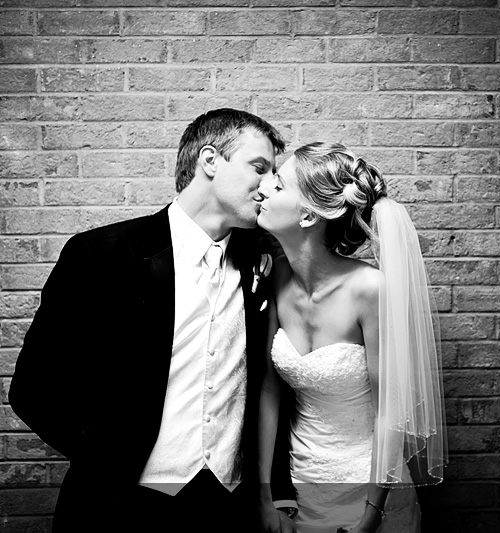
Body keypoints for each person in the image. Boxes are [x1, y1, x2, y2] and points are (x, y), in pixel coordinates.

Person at [9, 108, 297, 533]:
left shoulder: (266, 258)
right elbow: (34, 389)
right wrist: (109, 459)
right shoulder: (101, 255)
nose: (270, 183)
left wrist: (276, 493)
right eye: (259, 167)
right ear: (210, 160)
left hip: (229, 509)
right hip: (121, 508)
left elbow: (275, 388)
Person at [256, 142, 447, 532]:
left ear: (308, 215)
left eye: (278, 186)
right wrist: (265, 495)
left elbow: (389, 410)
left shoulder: (369, 289)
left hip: (370, 487)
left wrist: (371, 513)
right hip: (302, 482)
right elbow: (268, 390)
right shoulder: (276, 276)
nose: (262, 191)